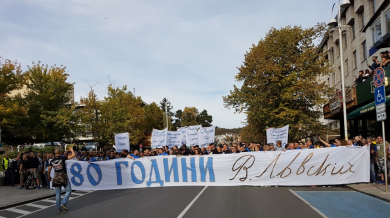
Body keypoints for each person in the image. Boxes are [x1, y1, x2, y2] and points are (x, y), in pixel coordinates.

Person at [48, 146, 76, 212]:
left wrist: (49, 176)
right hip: (63, 176)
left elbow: (49, 170)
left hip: (56, 177)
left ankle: (58, 208)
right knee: (68, 190)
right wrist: (71, 150)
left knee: (58, 193)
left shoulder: (52, 161)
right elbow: (73, 155)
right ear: (60, 153)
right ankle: (63, 203)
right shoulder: (62, 158)